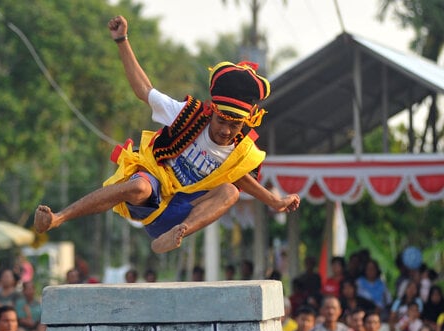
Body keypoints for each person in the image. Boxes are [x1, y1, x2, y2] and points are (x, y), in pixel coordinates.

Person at [33, 15, 300, 254]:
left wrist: (276, 202)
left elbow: (242, 180)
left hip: (180, 214)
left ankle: (177, 235)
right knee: (138, 185)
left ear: (247, 123)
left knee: (229, 191)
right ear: (213, 110)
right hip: (152, 194)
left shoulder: (242, 153)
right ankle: (58, 218)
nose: (225, 131)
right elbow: (144, 90)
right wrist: (122, 40)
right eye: (221, 121)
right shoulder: (188, 114)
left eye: (235, 126)